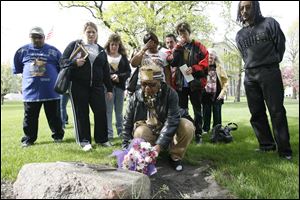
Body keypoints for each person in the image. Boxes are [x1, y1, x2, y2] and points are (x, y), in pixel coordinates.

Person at [235, 1, 292, 160]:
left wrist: (272, 62)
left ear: (255, 7)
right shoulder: (239, 34)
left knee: (277, 111)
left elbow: (280, 45)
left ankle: (284, 150)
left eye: (248, 7)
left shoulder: (269, 23)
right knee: (256, 112)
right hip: (250, 76)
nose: (244, 11)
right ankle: (266, 145)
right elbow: (244, 55)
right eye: (241, 8)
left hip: (269, 71)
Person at [121, 64, 194, 172]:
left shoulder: (170, 94)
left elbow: (172, 121)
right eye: (143, 84)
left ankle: (175, 156)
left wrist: (160, 145)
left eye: (151, 85)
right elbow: (127, 123)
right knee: (140, 132)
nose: (147, 88)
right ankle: (145, 156)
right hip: (148, 128)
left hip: (166, 127)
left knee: (187, 126)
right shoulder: (135, 97)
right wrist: (126, 150)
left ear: (160, 82)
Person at [60, 22, 113, 151]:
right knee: (82, 114)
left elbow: (106, 71)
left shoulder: (101, 50)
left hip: (97, 87)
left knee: (101, 112)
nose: (91, 34)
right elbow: (62, 61)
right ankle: (85, 141)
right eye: (88, 32)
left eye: (93, 32)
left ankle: (102, 139)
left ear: (96, 34)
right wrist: (74, 62)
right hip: (78, 86)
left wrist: (110, 89)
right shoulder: (75, 45)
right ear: (84, 33)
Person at [12, 26, 64, 147]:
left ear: (44, 37)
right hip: (31, 92)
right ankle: (29, 139)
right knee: (29, 117)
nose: (37, 39)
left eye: (39, 37)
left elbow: (61, 66)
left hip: (51, 91)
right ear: (30, 37)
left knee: (54, 116)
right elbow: (19, 68)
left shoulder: (54, 51)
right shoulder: (22, 51)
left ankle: (58, 136)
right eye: (34, 37)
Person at [170, 22, 209, 144]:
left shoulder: (198, 46)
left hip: (195, 84)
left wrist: (194, 68)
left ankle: (198, 135)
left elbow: (206, 61)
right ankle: (185, 133)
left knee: (197, 110)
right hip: (181, 84)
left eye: (185, 34)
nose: (183, 37)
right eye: (180, 34)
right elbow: (173, 62)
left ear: (189, 33)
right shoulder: (178, 48)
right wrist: (177, 48)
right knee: (182, 111)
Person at [104, 33, 131, 140]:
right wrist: (109, 77)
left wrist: (119, 77)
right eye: (112, 44)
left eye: (116, 45)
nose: (114, 47)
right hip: (107, 88)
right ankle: (109, 134)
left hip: (120, 87)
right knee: (108, 111)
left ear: (119, 45)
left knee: (119, 112)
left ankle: (120, 132)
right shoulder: (104, 56)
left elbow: (128, 72)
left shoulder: (123, 57)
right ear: (108, 45)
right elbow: (101, 72)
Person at [202, 48, 229, 134]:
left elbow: (225, 82)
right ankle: (205, 129)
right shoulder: (203, 66)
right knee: (206, 113)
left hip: (218, 94)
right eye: (208, 55)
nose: (210, 56)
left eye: (212, 55)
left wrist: (222, 93)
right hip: (205, 94)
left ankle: (217, 130)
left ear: (215, 57)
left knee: (217, 113)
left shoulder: (219, 67)